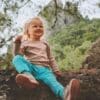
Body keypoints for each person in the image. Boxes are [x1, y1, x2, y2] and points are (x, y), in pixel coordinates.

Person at [12, 17, 80, 100]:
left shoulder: (45, 43)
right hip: (31, 68)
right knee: (17, 59)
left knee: (53, 83)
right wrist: (17, 43)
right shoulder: (25, 43)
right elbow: (17, 54)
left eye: (41, 26)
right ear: (27, 31)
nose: (39, 28)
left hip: (44, 70)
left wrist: (56, 70)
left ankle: (66, 95)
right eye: (35, 26)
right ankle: (29, 78)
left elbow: (51, 58)